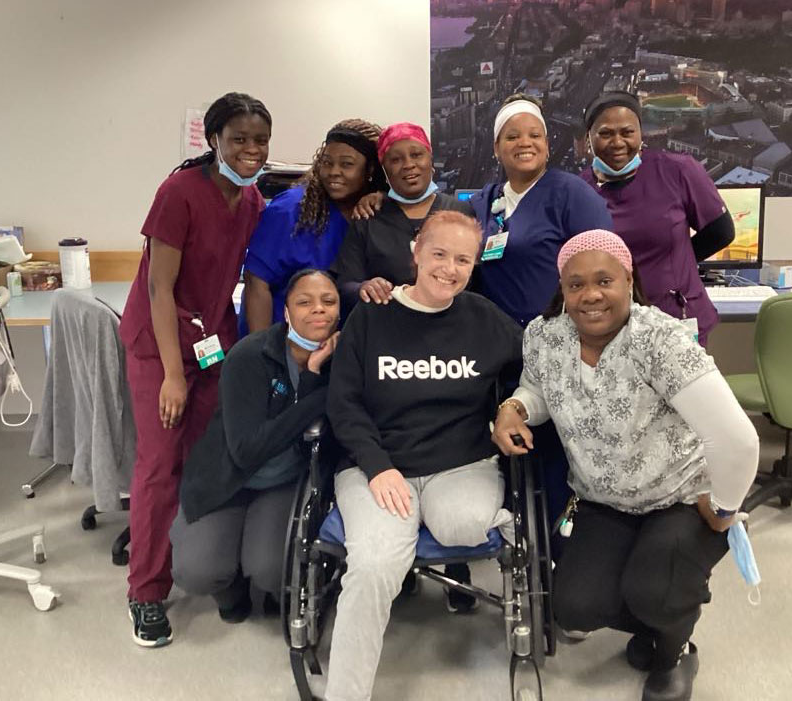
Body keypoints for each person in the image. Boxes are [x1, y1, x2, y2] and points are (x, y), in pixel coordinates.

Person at [492, 230, 759, 701]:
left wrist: (722, 510)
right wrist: (514, 408)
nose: (590, 295)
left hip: (679, 498)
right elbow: (537, 390)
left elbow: (736, 440)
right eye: (576, 285)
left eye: (604, 281)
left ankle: (675, 647)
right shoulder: (545, 336)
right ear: (562, 289)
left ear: (628, 280)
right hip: (601, 499)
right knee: (573, 607)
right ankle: (660, 613)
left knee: (655, 589)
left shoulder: (659, 341)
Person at [325, 211, 523, 701]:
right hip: (378, 467)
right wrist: (377, 466)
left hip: (461, 464)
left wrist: (512, 409)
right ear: (415, 252)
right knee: (373, 567)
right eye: (439, 254)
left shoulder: (485, 319)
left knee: (461, 525)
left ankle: (493, 519)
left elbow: (532, 370)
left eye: (463, 259)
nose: (449, 269)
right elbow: (342, 404)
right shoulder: (371, 316)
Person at [118, 92, 271, 647]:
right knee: (160, 465)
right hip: (158, 347)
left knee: (211, 456)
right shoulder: (178, 193)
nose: (251, 150)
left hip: (213, 344)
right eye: (239, 140)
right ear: (214, 141)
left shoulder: (252, 201)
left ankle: (210, 568)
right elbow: (160, 288)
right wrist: (172, 376)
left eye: (260, 141)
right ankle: (147, 590)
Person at [170, 270, 339, 624]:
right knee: (196, 571)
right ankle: (230, 593)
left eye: (328, 301)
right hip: (226, 477)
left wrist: (316, 375)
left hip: (283, 483)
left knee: (269, 568)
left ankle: (274, 589)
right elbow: (246, 450)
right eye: (304, 302)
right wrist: (316, 389)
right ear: (287, 313)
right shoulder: (250, 356)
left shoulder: (341, 361)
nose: (318, 310)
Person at [579, 91, 735, 345]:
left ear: (641, 134)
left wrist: (677, 262)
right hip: (612, 326)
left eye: (627, 132)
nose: (618, 142)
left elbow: (721, 231)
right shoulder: (578, 189)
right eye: (605, 133)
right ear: (589, 138)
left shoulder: (677, 170)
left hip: (675, 317)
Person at [469, 93, 614, 328]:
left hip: (558, 342)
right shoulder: (483, 202)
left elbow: (606, 268)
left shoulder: (571, 194)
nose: (524, 142)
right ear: (496, 148)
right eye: (512, 136)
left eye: (534, 135)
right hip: (495, 344)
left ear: (546, 145)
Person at [242, 119, 383, 335]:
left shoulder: (377, 214)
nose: (334, 171)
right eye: (327, 162)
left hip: (346, 348)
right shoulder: (291, 210)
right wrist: (262, 353)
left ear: (370, 169)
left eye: (346, 164)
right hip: (286, 345)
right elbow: (257, 283)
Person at [330, 121, 473, 313]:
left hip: (451, 330)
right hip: (389, 332)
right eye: (395, 160)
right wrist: (363, 288)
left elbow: (478, 281)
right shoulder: (368, 217)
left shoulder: (460, 213)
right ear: (384, 169)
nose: (408, 165)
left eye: (416, 155)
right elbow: (345, 285)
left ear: (430, 158)